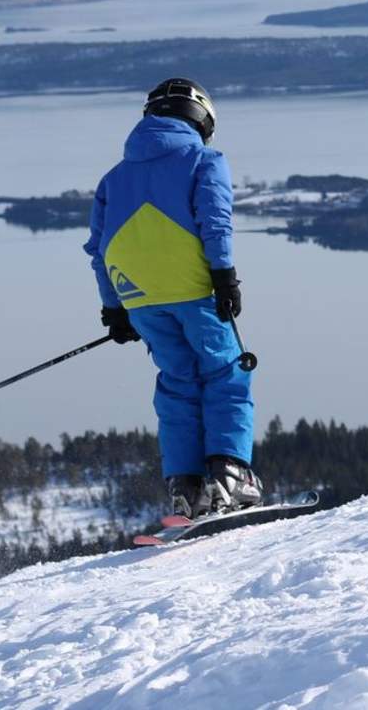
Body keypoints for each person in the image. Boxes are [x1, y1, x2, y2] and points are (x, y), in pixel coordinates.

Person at [83, 77, 262, 519]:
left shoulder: (113, 178)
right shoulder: (205, 160)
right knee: (226, 373)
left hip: (141, 299)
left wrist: (115, 309)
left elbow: (99, 249)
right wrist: (224, 277)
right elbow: (215, 222)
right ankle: (231, 477)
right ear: (202, 120)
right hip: (195, 288)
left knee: (179, 382)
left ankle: (188, 488)